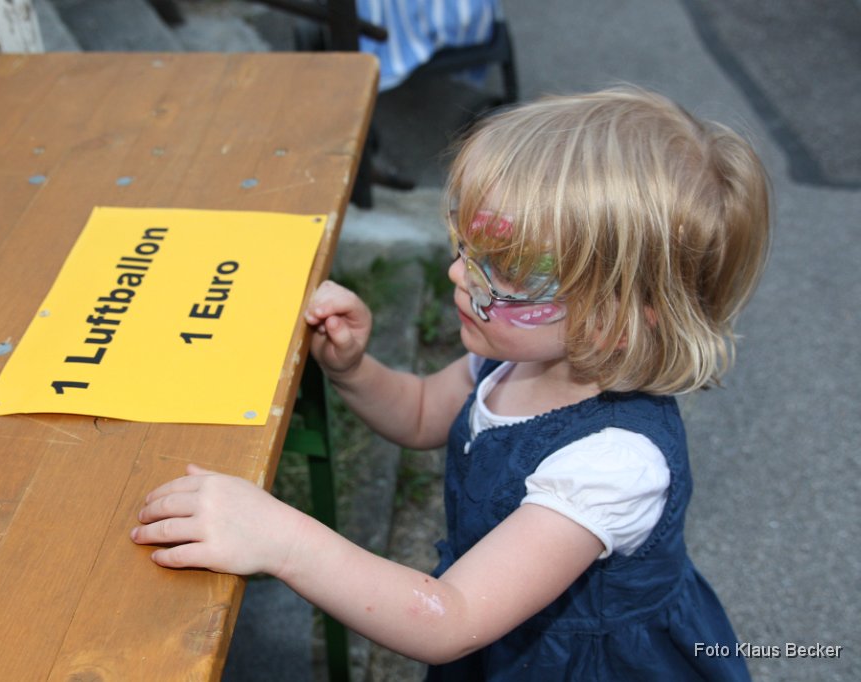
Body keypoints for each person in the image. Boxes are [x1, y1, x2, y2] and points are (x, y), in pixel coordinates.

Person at [130, 86, 769, 680]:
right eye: (468, 245)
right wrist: (353, 368)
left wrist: (279, 538)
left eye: (507, 270)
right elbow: (417, 414)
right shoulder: (513, 356)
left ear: (611, 318)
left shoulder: (614, 464)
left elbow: (453, 618)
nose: (458, 274)